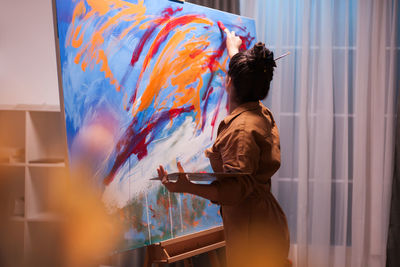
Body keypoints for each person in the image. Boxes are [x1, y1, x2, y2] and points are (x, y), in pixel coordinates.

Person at [157, 28, 290, 267]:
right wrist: (234, 51)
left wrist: (187, 186)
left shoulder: (240, 130)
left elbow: (234, 192)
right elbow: (247, 81)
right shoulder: (258, 111)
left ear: (229, 82)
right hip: (266, 224)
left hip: (252, 235)